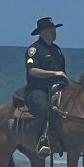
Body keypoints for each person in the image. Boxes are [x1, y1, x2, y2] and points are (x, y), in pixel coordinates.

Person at [24, 17, 68, 155]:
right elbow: (32, 71)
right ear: (42, 33)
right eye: (51, 30)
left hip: (59, 86)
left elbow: (63, 71)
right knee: (43, 108)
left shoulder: (57, 49)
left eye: (54, 29)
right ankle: (41, 140)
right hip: (39, 88)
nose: (54, 32)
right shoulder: (34, 50)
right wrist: (54, 73)